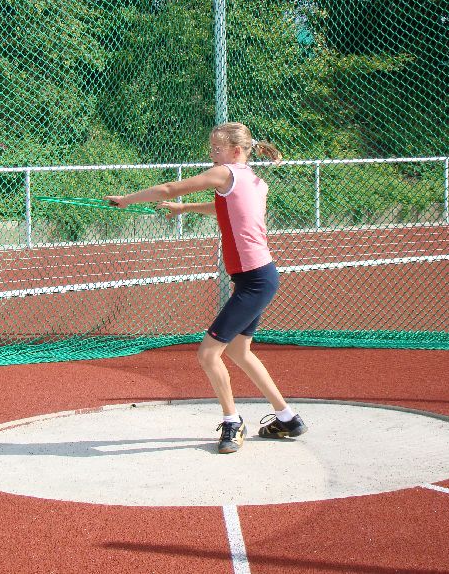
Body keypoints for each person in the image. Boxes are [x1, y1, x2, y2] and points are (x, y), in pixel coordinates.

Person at [106, 122, 307, 454]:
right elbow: (224, 209)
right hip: (258, 277)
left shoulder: (225, 173)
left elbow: (170, 188)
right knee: (239, 351)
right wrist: (184, 209)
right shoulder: (255, 181)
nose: (212, 154)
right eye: (211, 148)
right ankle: (287, 418)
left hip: (255, 280)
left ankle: (232, 422)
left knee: (208, 354)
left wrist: (127, 200)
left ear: (236, 151)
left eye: (217, 148)